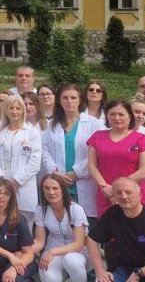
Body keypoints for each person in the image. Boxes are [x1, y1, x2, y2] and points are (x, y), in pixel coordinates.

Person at [32, 174, 93, 282]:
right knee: (49, 278)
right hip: (53, 247)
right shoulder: (40, 209)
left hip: (78, 253)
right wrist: (24, 253)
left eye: (55, 188)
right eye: (47, 188)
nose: (51, 192)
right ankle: (61, 280)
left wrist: (52, 252)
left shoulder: (76, 209)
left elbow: (79, 244)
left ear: (63, 190)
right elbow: (39, 241)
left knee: (70, 260)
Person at [42, 84, 103, 221]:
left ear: (80, 100)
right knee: (63, 226)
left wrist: (76, 173)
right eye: (65, 98)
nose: (69, 101)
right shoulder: (52, 124)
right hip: (59, 182)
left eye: (73, 97)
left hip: (84, 183)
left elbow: (99, 152)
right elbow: (44, 149)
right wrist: (54, 172)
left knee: (86, 228)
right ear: (59, 100)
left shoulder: (94, 124)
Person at [87, 100, 145, 217]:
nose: (116, 118)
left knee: (137, 232)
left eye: (121, 114)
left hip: (133, 195)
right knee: (108, 232)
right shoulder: (97, 137)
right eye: (112, 114)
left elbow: (144, 171)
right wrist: (107, 189)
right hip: (106, 194)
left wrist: (116, 189)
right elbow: (92, 166)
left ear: (129, 116)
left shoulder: (142, 139)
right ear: (107, 117)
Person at [0, 95, 42, 231]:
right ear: (6, 111)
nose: (14, 112)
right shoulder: (1, 133)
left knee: (25, 226)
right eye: (11, 108)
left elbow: (35, 162)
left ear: (23, 110)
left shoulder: (32, 133)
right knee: (3, 223)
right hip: (3, 186)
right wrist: (2, 180)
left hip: (23, 187)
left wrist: (16, 181)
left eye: (18, 108)